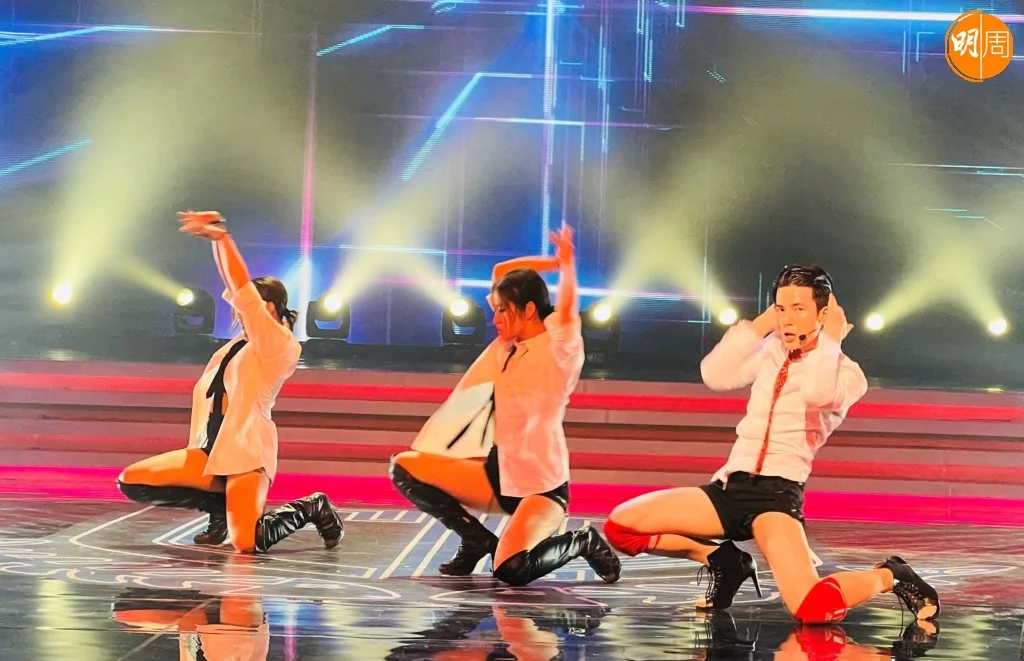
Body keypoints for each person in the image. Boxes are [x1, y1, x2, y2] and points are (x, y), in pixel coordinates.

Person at [601, 264, 940, 623]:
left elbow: (817, 392)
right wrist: (762, 324)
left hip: (775, 499)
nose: (788, 319)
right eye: (781, 308)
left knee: (812, 609)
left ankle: (891, 575)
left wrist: (830, 340)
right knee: (620, 528)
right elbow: (714, 374)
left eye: (799, 309)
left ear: (823, 314)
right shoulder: (771, 350)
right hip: (729, 489)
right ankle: (724, 561)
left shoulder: (847, 373)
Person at [389, 225, 620, 586]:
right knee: (404, 467)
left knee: (510, 569)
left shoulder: (560, 346)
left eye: (503, 310)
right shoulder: (507, 345)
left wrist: (567, 266)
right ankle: (475, 539)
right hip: (497, 476)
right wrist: (550, 261)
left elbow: (567, 305)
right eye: (495, 309)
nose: (494, 318)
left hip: (541, 488)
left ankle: (581, 541)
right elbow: (501, 272)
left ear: (529, 310)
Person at [115, 210, 343, 553]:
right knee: (133, 480)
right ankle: (219, 509)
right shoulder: (233, 347)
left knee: (246, 542)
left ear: (269, 308)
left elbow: (239, 287)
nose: (237, 309)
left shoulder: (279, 344)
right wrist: (215, 239)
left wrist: (222, 237)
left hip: (246, 452)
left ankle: (312, 507)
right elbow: (234, 286)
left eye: (248, 305)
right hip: (209, 451)